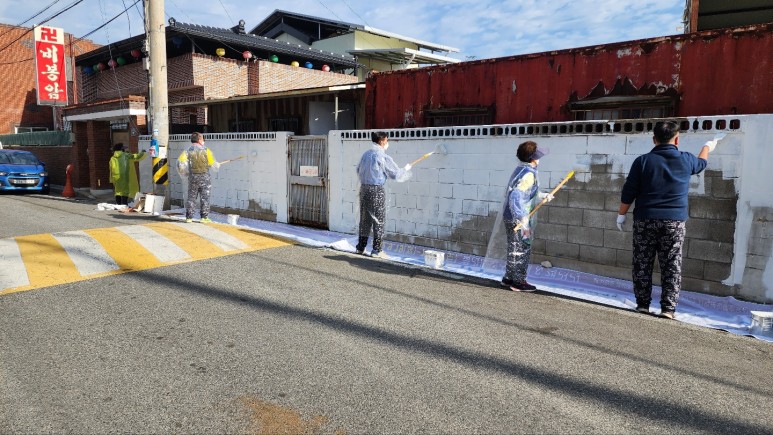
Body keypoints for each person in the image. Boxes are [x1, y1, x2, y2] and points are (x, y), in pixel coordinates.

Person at [617, 121, 717, 319]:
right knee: (672, 264)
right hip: (674, 222)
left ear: (654, 140)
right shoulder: (686, 159)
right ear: (677, 139)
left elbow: (629, 191)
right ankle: (668, 309)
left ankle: (643, 305)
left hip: (645, 219)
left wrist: (621, 214)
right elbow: (702, 163)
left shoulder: (642, 161)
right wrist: (707, 146)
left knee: (642, 262)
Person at [500, 141, 553, 292]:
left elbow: (526, 193)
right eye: (538, 156)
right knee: (522, 247)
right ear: (533, 158)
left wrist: (542, 195)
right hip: (518, 218)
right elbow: (516, 196)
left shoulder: (521, 169)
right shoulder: (529, 173)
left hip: (511, 215)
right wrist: (522, 218)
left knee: (514, 246)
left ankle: (509, 277)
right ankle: (518, 281)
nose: (540, 159)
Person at [355, 131, 411, 258]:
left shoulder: (366, 155)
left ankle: (360, 248)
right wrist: (405, 169)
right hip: (376, 190)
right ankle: (377, 250)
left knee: (365, 220)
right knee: (379, 220)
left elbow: (358, 170)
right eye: (387, 140)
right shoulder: (383, 157)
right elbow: (395, 174)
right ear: (382, 141)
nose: (387, 143)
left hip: (364, 189)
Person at [178, 132, 219, 223]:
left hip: (193, 177)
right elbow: (213, 164)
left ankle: (189, 217)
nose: (203, 140)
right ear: (200, 140)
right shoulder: (206, 150)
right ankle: (204, 217)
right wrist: (217, 165)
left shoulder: (187, 151)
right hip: (205, 177)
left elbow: (180, 164)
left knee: (191, 197)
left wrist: (185, 173)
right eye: (203, 139)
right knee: (205, 197)